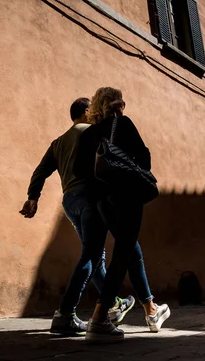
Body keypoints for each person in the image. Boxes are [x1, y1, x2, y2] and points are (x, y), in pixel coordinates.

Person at [19, 97, 134, 336]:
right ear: (87, 111)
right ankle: (65, 314)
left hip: (70, 201)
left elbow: (40, 171)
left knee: (95, 255)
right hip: (90, 199)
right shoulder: (93, 132)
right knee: (91, 255)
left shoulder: (58, 142)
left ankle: (112, 303)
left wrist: (33, 197)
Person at [74, 87, 170, 343]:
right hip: (127, 196)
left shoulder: (89, 133)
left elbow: (79, 170)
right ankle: (98, 319)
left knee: (128, 251)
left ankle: (150, 310)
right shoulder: (122, 124)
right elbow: (145, 158)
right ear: (116, 104)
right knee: (122, 254)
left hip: (100, 202)